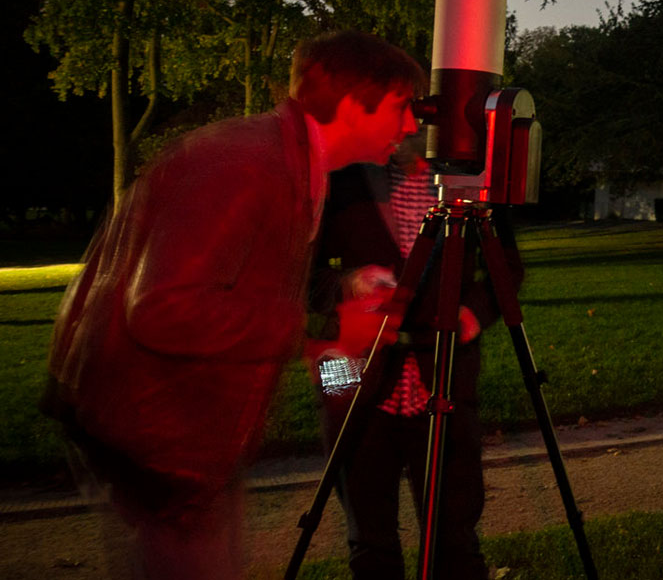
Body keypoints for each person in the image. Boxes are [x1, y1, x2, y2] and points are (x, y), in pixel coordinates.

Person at [42, 30, 425, 580]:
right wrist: (324, 325)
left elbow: (261, 306)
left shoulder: (296, 169)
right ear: (350, 100)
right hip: (156, 443)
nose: (411, 126)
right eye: (400, 106)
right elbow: (161, 310)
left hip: (191, 439)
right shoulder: (245, 163)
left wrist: (340, 303)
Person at [306, 130, 500, 580]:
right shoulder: (341, 180)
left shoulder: (468, 183)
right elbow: (304, 278)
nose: (395, 127)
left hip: (444, 369)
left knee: (455, 538)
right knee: (367, 540)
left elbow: (505, 267)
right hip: (346, 371)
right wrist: (348, 284)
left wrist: (471, 315)